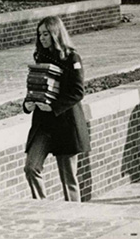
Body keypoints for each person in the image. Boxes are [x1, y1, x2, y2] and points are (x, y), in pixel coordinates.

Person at [23, 16, 91, 202]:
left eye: (46, 34)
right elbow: (37, 86)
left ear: (55, 33)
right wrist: (27, 104)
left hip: (65, 124)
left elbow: (77, 92)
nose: (42, 38)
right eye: (40, 34)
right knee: (31, 167)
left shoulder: (72, 58)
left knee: (68, 178)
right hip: (43, 125)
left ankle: (73, 214)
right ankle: (42, 205)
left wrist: (53, 107)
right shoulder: (40, 56)